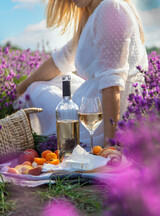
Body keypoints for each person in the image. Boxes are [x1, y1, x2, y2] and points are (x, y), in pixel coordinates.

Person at [14, 0, 148, 148]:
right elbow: (61, 59)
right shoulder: (96, 14)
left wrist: (110, 145)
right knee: (61, 79)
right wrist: (21, 87)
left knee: (36, 88)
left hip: (105, 115)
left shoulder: (110, 8)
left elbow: (112, 83)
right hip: (101, 103)